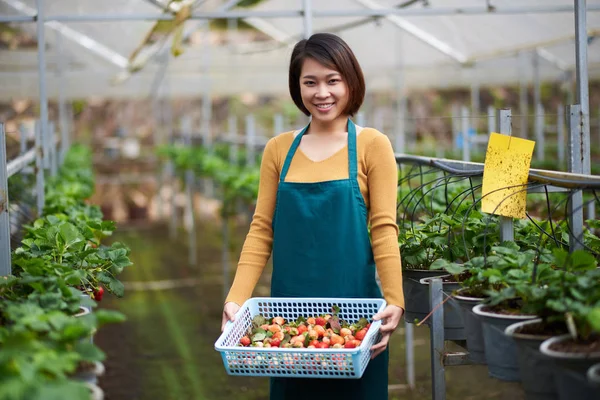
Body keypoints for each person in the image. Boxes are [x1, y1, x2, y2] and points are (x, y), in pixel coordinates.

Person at [221, 32, 405, 399]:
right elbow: (261, 230)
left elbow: (384, 228)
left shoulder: (372, 145)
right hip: (287, 322)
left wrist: (396, 301)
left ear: (351, 81)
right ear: (297, 87)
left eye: (332, 80)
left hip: (356, 319)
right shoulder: (278, 149)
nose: (322, 93)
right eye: (310, 82)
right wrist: (236, 299)